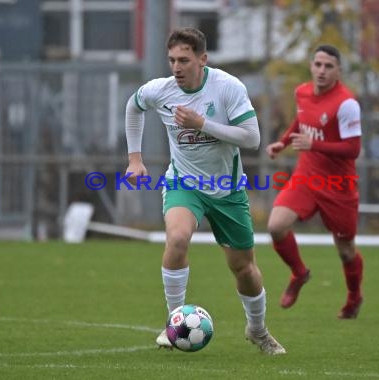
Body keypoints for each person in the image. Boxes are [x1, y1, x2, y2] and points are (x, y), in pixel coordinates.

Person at [124, 27, 286, 354]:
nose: (176, 67)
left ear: (203, 59)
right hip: (184, 183)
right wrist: (135, 159)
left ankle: (257, 330)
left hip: (227, 190)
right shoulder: (161, 90)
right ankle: (173, 321)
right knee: (178, 238)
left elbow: (252, 138)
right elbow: (134, 105)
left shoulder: (227, 88)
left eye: (184, 59)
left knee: (244, 268)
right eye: (171, 60)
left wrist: (202, 124)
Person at [265, 45, 364, 319]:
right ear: (311, 65)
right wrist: (282, 143)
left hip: (338, 185)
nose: (322, 70)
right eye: (318, 64)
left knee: (345, 250)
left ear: (339, 71)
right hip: (306, 176)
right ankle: (299, 273)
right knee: (276, 226)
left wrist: (315, 144)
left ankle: (354, 297)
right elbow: (301, 120)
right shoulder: (302, 92)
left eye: (328, 66)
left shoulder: (347, 104)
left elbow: (353, 149)